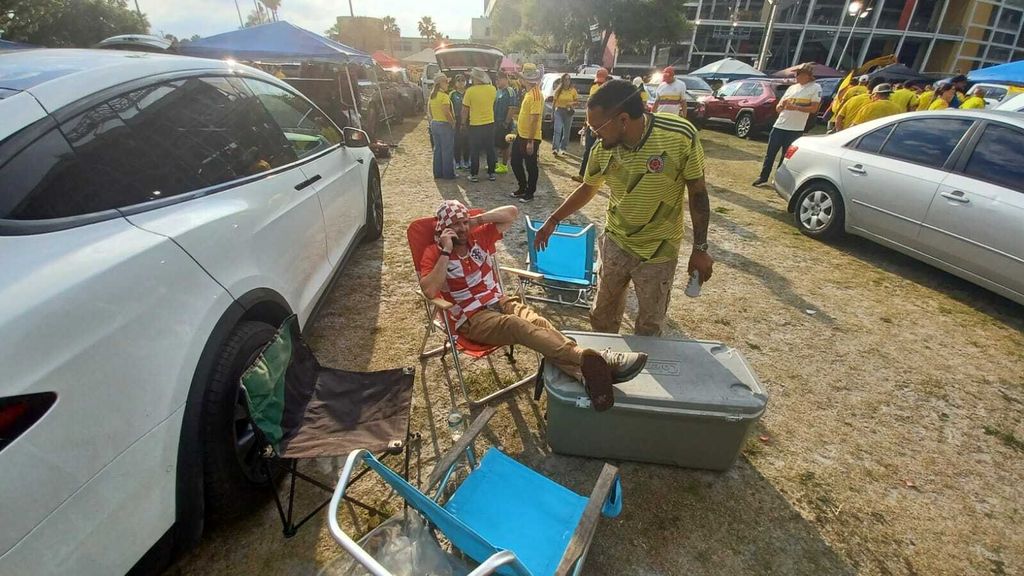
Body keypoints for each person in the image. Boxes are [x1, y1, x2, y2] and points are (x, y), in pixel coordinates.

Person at [419, 200, 648, 411]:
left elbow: (511, 213)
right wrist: (446, 250)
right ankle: (598, 358)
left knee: (539, 323)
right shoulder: (434, 252)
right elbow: (430, 290)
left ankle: (584, 375)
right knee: (517, 326)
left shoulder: (478, 237)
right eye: (454, 225)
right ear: (443, 228)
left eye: (463, 222)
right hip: (472, 318)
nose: (461, 229)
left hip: (499, 301)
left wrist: (475, 220)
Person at [534, 79, 713, 337]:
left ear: (623, 119)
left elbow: (697, 191)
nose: (593, 134)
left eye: (597, 127)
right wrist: (553, 220)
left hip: (659, 250)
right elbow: (588, 188)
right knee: (602, 318)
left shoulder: (679, 136)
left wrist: (700, 248)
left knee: (650, 326)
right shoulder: (602, 150)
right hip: (616, 243)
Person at [753, 63, 820, 186]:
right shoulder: (792, 88)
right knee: (770, 153)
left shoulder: (815, 88)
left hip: (795, 128)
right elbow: (779, 107)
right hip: (780, 125)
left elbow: (814, 109)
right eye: (796, 73)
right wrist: (780, 106)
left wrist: (795, 107)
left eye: (799, 74)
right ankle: (763, 177)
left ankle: (778, 180)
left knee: (786, 156)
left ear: (807, 76)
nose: (797, 76)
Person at [510, 63, 544, 203]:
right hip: (521, 134)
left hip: (530, 137)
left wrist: (530, 141)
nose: (520, 80)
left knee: (531, 166)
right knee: (515, 162)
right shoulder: (529, 92)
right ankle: (522, 187)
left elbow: (535, 119)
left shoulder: (535, 94)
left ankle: (529, 193)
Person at [461, 68, 499, 183]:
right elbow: (494, 104)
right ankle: (491, 172)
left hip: (475, 124)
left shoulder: (470, 91)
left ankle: (474, 174)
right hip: (489, 123)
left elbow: (465, 109)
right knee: (490, 149)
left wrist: (463, 123)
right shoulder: (492, 89)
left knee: (475, 150)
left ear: (475, 79)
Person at [572, 67, 609, 183]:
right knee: (588, 150)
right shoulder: (593, 88)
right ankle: (582, 175)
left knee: (603, 152)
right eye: (598, 81)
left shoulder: (610, 93)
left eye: (601, 82)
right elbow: (589, 108)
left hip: (603, 126)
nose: (599, 84)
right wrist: (585, 124)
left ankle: (601, 178)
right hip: (590, 124)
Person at [427, 73, 456, 180]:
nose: (448, 84)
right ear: (441, 83)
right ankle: (448, 174)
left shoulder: (432, 96)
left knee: (437, 149)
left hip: (435, 123)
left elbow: (429, 110)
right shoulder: (444, 96)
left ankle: (438, 173)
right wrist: (452, 123)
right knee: (447, 150)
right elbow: (446, 112)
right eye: (446, 82)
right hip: (444, 124)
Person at [492, 74, 518, 174]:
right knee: (495, 143)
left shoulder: (510, 91)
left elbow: (512, 108)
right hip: (496, 122)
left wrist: (506, 122)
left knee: (505, 145)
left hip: (504, 122)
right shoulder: (498, 91)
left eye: (499, 79)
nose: (497, 81)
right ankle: (496, 163)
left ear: (505, 80)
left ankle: (504, 165)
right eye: (496, 79)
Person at [551, 73, 578, 157]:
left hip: (568, 112)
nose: (567, 81)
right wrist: (552, 113)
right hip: (559, 111)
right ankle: (555, 148)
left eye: (569, 79)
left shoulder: (573, 90)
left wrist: (571, 103)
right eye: (566, 79)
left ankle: (563, 148)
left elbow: (577, 102)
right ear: (562, 80)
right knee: (557, 130)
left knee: (566, 131)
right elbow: (554, 102)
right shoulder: (558, 90)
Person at [450, 74, 470, 170]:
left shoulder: (469, 93)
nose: (461, 82)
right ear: (455, 83)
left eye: (463, 80)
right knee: (457, 141)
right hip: (457, 119)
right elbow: (449, 107)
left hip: (468, 119)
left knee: (467, 141)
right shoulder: (452, 94)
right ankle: (457, 162)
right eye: (459, 80)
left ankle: (466, 161)